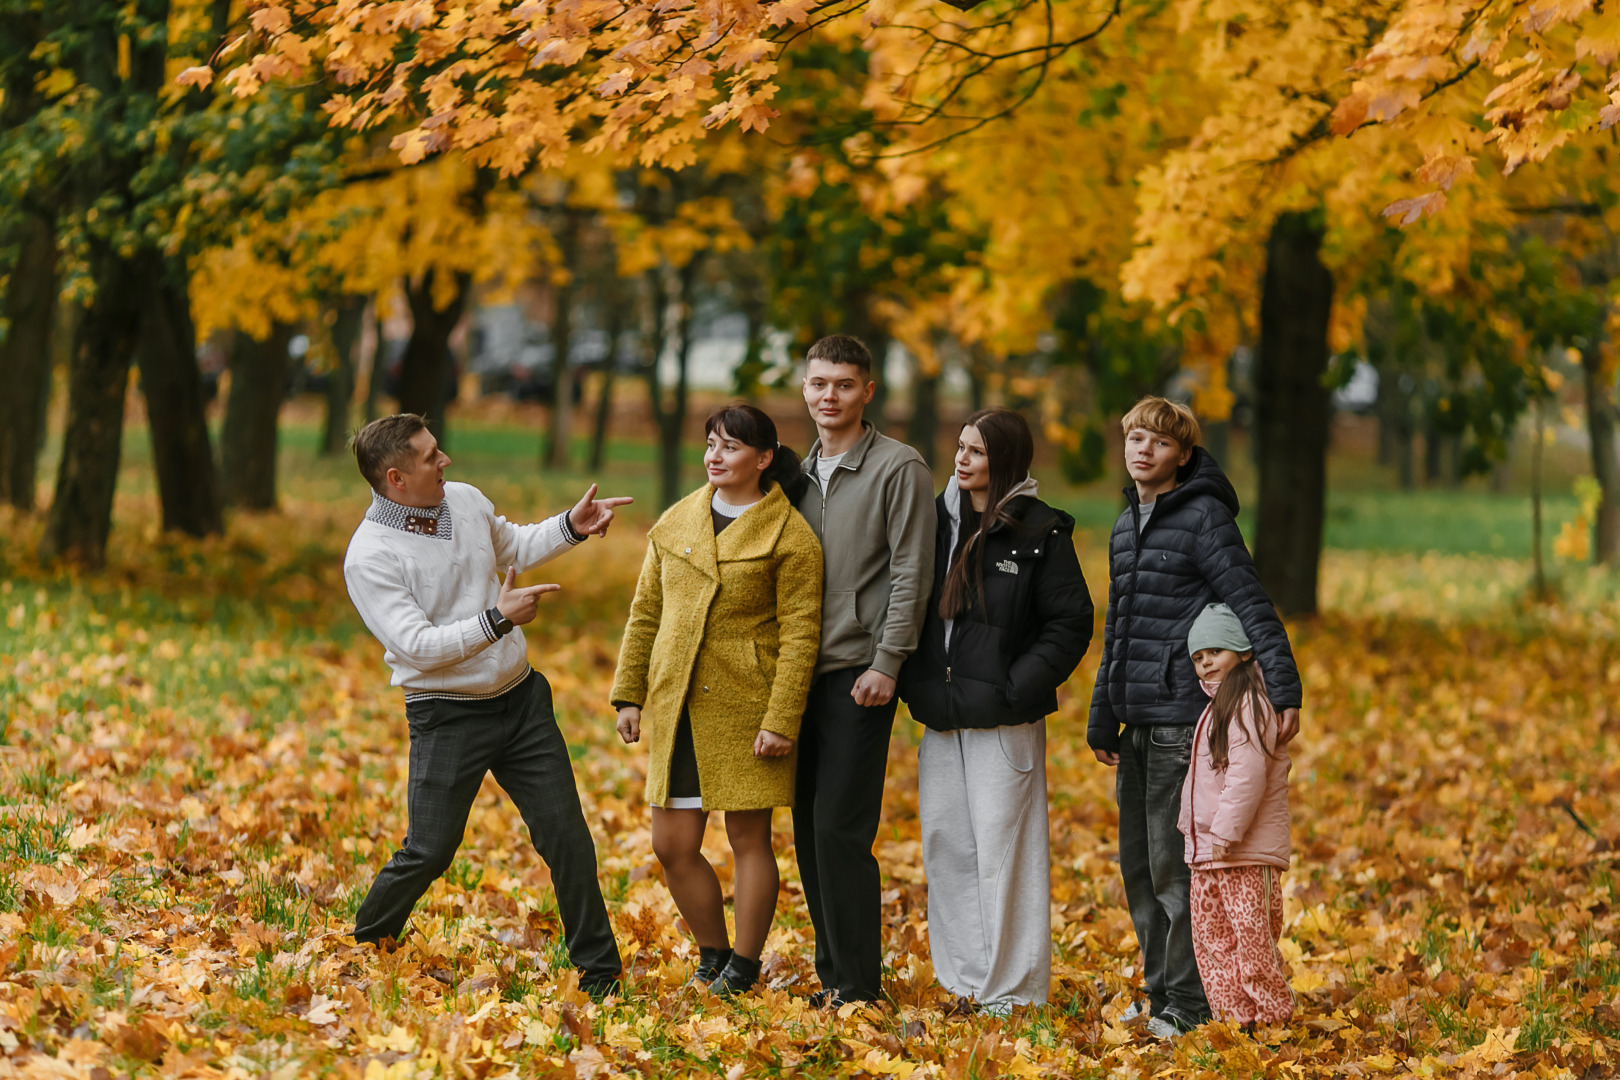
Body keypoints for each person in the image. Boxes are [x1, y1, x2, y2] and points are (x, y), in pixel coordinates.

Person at [341, 414, 629, 997]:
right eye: (430, 457)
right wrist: (497, 619)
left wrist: (569, 527)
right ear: (396, 478)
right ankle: (368, 941)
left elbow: (515, 544)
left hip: (521, 702)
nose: (444, 460)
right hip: (447, 714)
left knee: (568, 838)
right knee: (430, 849)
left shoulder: (464, 501)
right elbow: (417, 647)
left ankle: (600, 976)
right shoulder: (370, 556)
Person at [1086, 396, 1302, 1039]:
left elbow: (1250, 602)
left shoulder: (1205, 519)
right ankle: (1160, 992)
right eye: (1134, 439)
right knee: (1139, 869)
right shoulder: (1127, 524)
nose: (1143, 449)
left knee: (1176, 869)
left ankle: (1189, 1001)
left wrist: (1283, 685)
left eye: (1157, 441)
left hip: (1185, 717)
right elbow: (1118, 629)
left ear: (1182, 453)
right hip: (1137, 723)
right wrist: (1104, 715)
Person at [611, 405, 823, 996]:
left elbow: (802, 633)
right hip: (678, 703)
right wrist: (629, 693)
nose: (715, 455)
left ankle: (745, 967)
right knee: (671, 844)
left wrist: (782, 719)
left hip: (747, 706)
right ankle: (713, 953)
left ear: (763, 459)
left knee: (747, 839)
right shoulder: (677, 521)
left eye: (730, 447)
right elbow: (646, 611)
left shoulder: (791, 536)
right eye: (710, 443)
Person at [899, 408, 1093, 1013]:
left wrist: (1016, 686)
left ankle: (1012, 993)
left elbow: (1071, 621)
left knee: (1004, 853)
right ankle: (964, 984)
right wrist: (915, 681)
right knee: (947, 846)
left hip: (1004, 722)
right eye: (959, 448)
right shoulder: (935, 521)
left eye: (976, 452)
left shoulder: (1040, 531)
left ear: (1005, 460)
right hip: (942, 715)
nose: (961, 460)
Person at [794, 334, 936, 1007]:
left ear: (867, 391)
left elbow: (913, 569)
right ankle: (833, 978)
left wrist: (889, 660)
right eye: (820, 384)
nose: (831, 396)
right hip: (795, 675)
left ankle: (859, 986)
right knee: (804, 826)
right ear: (805, 388)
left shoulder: (898, 467)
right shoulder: (794, 474)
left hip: (860, 672)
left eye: (844, 385)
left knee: (838, 829)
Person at [1179, 603, 1295, 1030]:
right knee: (1214, 942)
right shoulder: (1213, 709)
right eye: (1198, 656)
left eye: (1215, 651)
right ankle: (1235, 1022)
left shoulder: (1249, 702)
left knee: (1251, 942)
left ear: (1243, 652)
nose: (1206, 661)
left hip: (1243, 853)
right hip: (1209, 853)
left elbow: (1248, 774)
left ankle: (1272, 1019)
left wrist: (1224, 834)